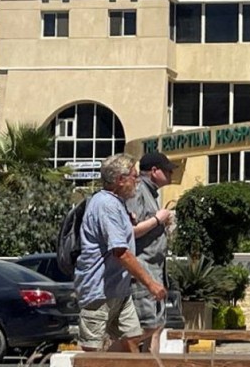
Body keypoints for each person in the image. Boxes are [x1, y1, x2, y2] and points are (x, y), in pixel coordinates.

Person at [75, 153, 167, 352]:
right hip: (99, 291)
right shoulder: (106, 205)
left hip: (119, 290)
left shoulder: (116, 203)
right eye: (134, 176)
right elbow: (121, 252)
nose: (137, 181)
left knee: (132, 340)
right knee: (93, 351)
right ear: (120, 180)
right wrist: (150, 284)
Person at [126, 151, 177, 351]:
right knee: (145, 326)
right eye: (168, 170)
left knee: (156, 326)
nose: (171, 175)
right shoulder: (138, 191)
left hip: (155, 268)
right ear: (154, 171)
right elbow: (130, 231)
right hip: (143, 267)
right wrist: (158, 219)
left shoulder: (151, 193)